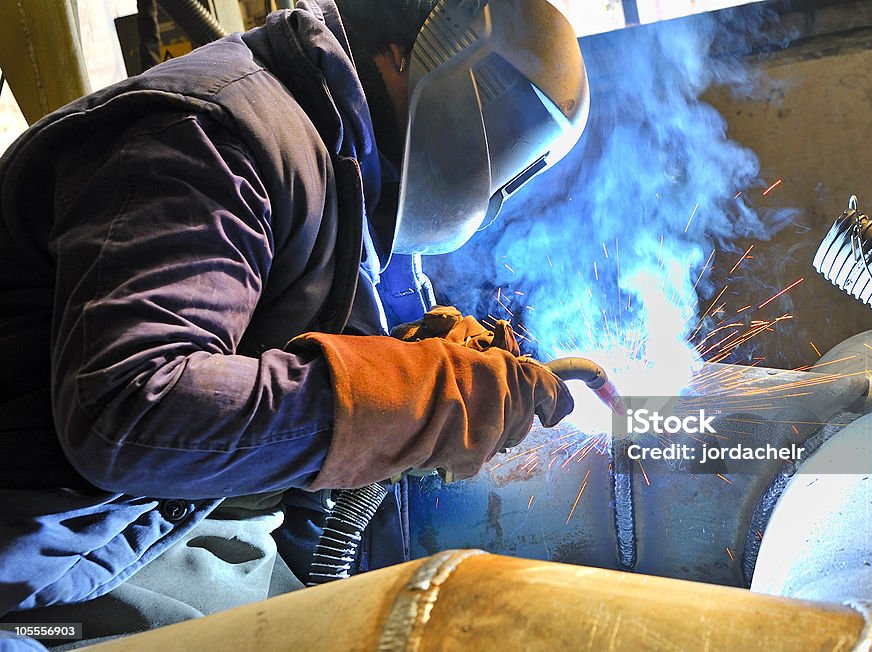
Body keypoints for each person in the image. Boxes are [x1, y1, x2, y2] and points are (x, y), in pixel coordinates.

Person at [0, 0, 588, 646]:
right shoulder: (218, 136)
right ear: (413, 54)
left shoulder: (337, 177)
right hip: (29, 572)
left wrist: (401, 371)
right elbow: (128, 407)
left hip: (115, 538)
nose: (491, 182)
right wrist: (402, 397)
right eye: (499, 136)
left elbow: (265, 412)